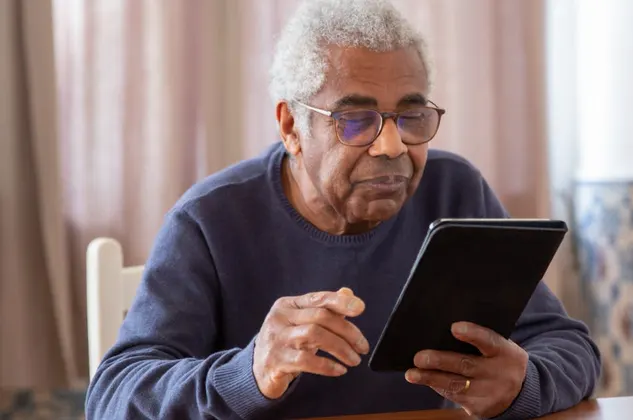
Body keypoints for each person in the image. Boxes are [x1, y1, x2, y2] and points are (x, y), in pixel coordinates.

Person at [85, 0, 601, 418]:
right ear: (291, 127)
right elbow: (112, 398)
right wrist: (248, 372)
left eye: (411, 115)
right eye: (356, 120)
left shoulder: (455, 191)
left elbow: (569, 347)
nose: (392, 146)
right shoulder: (211, 219)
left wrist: (524, 384)